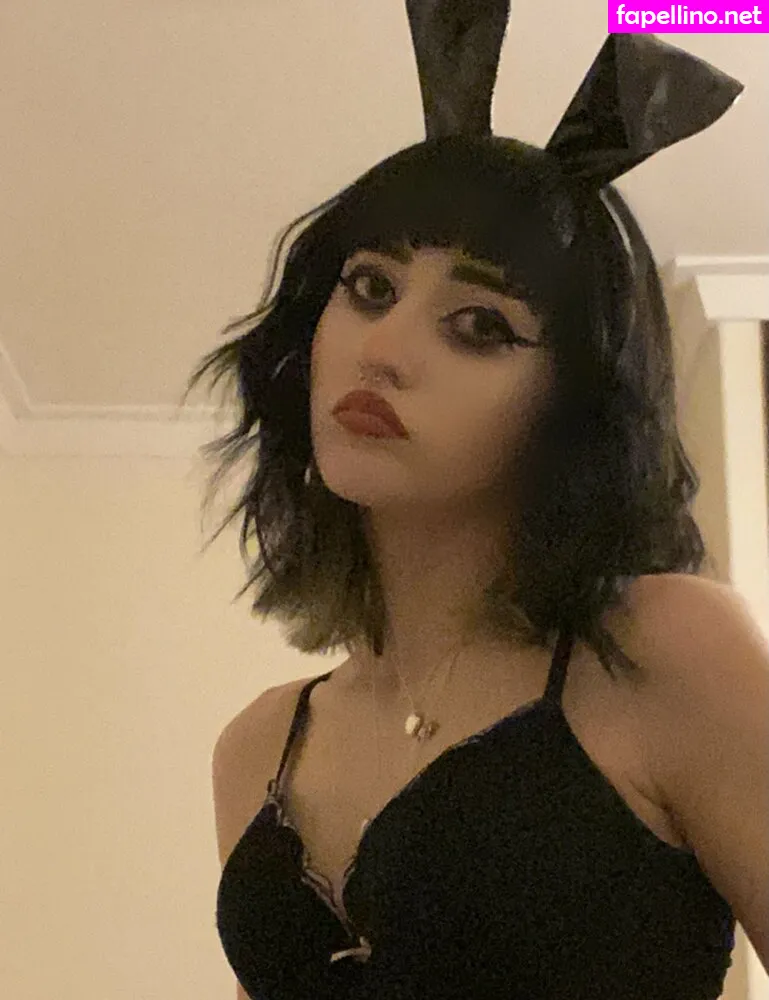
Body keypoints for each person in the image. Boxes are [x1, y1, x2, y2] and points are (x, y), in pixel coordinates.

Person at [184, 6, 768, 999]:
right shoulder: (257, 747)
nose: (384, 349)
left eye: (479, 326)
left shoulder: (665, 651)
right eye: (369, 287)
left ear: (567, 405)